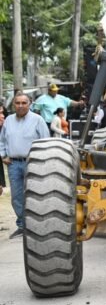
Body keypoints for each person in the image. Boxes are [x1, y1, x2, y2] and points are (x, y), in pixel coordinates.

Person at [1, 93, 51, 237]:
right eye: (18, 103)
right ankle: (22, 226)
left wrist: (43, 161)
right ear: (13, 105)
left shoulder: (38, 120)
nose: (21, 106)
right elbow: (2, 141)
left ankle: (39, 226)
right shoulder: (8, 120)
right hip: (14, 165)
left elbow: (46, 141)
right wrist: (3, 155)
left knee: (37, 194)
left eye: (24, 103)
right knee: (17, 197)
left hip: (33, 163)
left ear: (30, 104)